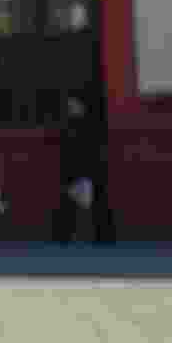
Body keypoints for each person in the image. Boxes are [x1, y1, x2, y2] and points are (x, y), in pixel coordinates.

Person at [54, 92, 113, 246]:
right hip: (72, 175)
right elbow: (65, 153)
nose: (71, 107)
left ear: (82, 106)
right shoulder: (67, 127)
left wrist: (90, 174)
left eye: (74, 104)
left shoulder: (89, 126)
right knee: (71, 209)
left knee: (89, 209)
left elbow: (92, 152)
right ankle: (67, 239)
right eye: (70, 105)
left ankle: (97, 239)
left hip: (87, 174)